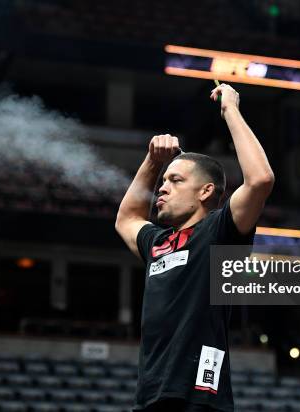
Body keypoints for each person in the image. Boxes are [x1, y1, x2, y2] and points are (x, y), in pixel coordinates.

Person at [115, 83, 275, 412]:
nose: (162, 188)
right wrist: (152, 163)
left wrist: (230, 108)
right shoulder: (159, 242)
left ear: (205, 192)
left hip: (199, 397)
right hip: (150, 397)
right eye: (163, 182)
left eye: (175, 181)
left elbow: (260, 180)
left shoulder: (219, 233)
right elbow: (127, 218)